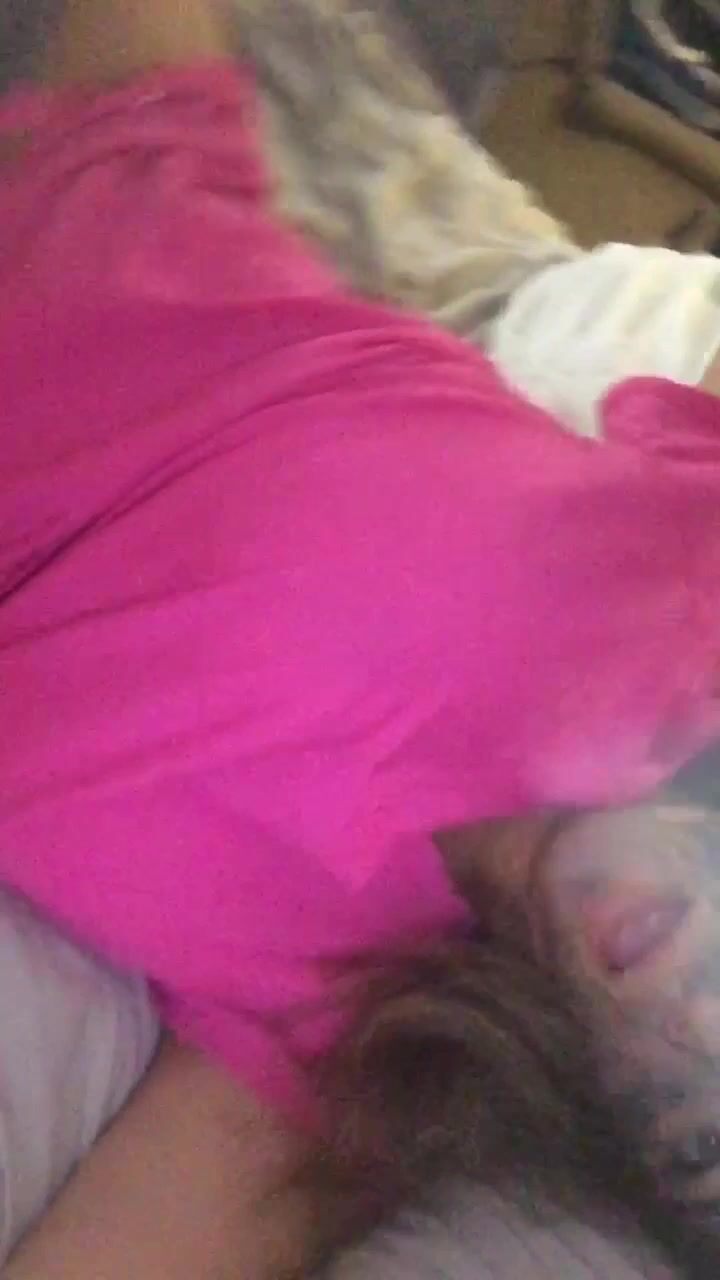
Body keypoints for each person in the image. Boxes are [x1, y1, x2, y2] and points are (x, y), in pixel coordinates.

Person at [4, 1, 720, 1276]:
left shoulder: (356, 1041)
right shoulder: (693, 583)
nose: (706, 1039)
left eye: (709, 1144)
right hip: (117, 159)